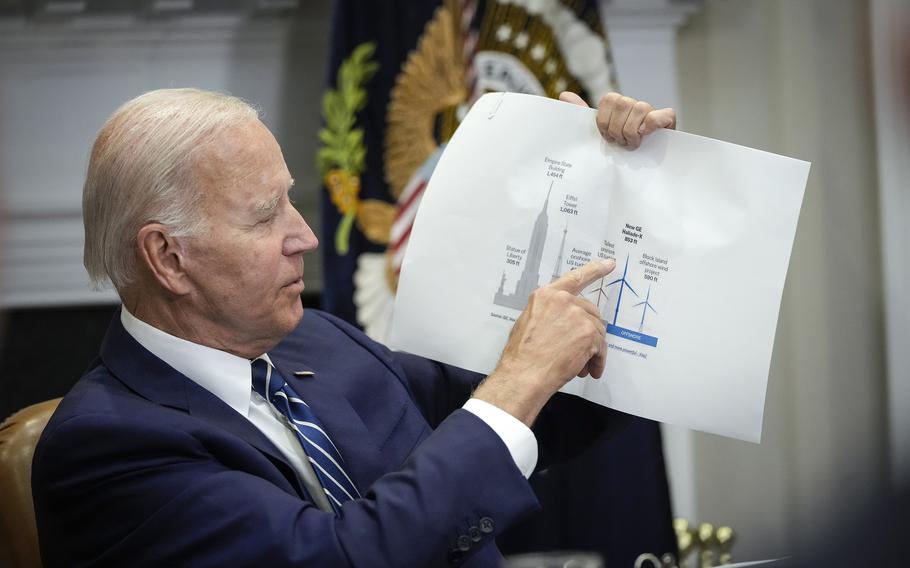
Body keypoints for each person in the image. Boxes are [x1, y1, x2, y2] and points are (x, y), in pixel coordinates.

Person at [31, 88, 675, 567]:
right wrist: (517, 383)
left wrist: (612, 197)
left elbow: (542, 414)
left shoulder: (316, 340)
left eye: (290, 200)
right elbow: (343, 557)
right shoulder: (107, 447)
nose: (305, 236)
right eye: (264, 218)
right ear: (167, 258)